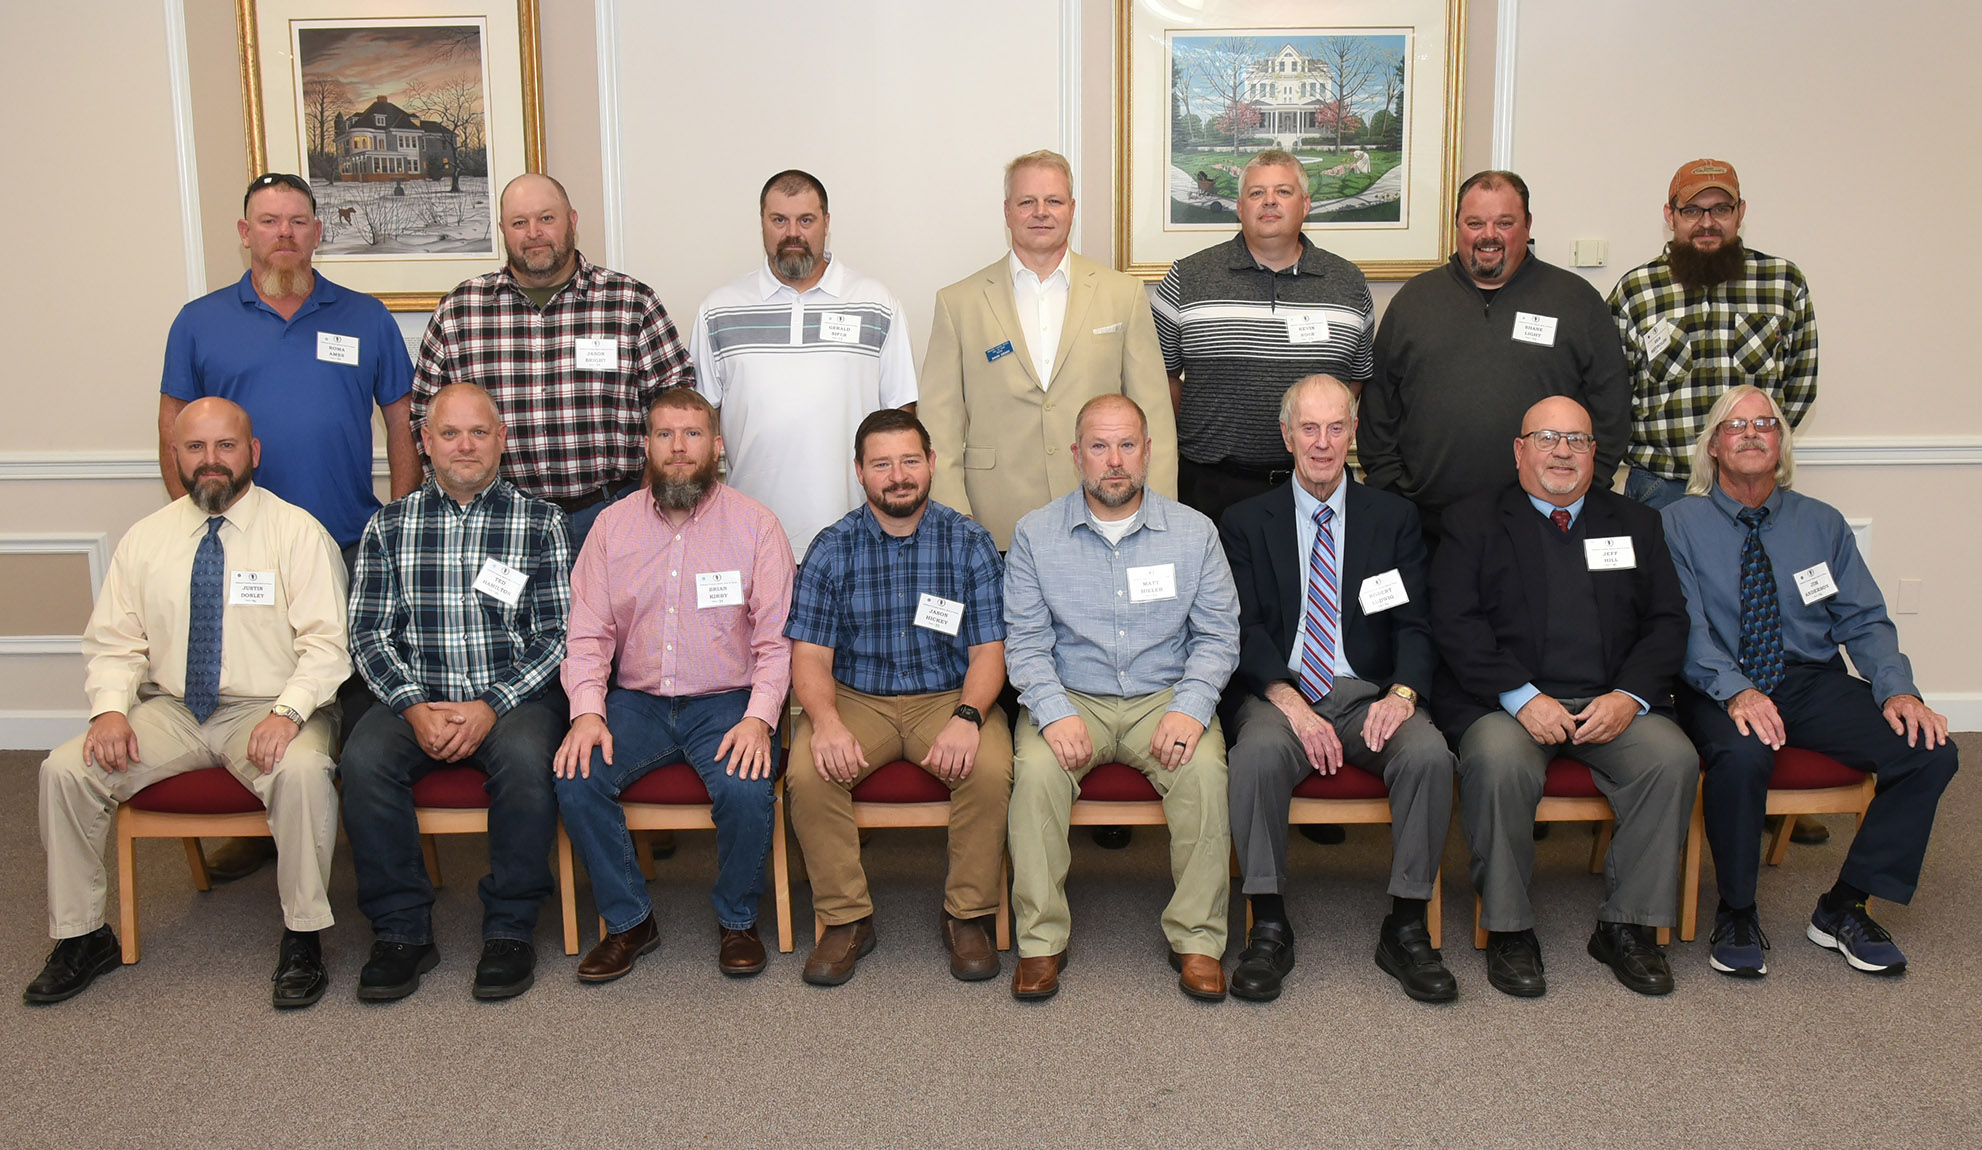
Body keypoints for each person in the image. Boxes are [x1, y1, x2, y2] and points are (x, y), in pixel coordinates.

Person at [27, 399, 349, 1008]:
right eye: (195, 448)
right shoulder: (146, 540)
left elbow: (328, 646)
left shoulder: (297, 532)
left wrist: (288, 713)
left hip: (270, 705)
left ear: (252, 453)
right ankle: (81, 936)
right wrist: (110, 710)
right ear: (174, 456)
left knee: (304, 771)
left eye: (225, 446)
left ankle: (304, 936)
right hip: (171, 709)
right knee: (65, 770)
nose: (210, 461)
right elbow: (116, 642)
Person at [160, 172, 417, 882]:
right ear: (245, 232)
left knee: (355, 692)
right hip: (245, 549)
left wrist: (398, 522)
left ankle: (365, 826)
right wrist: (191, 526)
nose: (284, 234)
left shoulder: (365, 317)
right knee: (258, 687)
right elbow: (173, 428)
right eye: (269, 221)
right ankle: (266, 822)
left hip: (348, 537)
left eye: (298, 221)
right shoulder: (199, 321)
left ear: (318, 230)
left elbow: (401, 427)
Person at [1661, 385, 1957, 978]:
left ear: (1781, 444)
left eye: (1765, 424)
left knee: (1929, 753)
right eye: (1735, 425)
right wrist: (1737, 690)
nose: (1751, 433)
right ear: (1714, 446)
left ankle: (1844, 906)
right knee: (1742, 755)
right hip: (1719, 682)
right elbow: (1682, 626)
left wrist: (1897, 688)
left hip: (1807, 679)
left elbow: (1864, 618)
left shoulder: (1821, 524)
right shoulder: (1678, 523)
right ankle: (1737, 910)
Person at [1429, 396, 1698, 998]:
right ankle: (1509, 928)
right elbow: (1455, 622)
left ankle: (1627, 926)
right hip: (1507, 700)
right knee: (1497, 763)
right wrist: (1522, 697)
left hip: (1612, 702)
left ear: (1595, 454)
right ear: (1519, 450)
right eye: (1547, 438)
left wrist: (1629, 696)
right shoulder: (1472, 520)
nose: (1562, 452)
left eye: (1576, 440)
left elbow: (1667, 623)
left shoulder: (1636, 522)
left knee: (1671, 759)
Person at [1219, 376, 1456, 1003]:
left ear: (1353, 434)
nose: (1322, 444)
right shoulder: (1245, 521)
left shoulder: (1394, 518)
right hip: (1281, 691)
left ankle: (1406, 924)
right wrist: (1291, 705)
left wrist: (1402, 694)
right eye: (1309, 428)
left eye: (1336, 428)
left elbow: (1414, 622)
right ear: (1286, 435)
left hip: (1368, 692)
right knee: (1258, 756)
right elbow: (1242, 626)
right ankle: (1267, 922)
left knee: (1429, 755)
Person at [1002, 395, 1240, 1002]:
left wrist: (1191, 706)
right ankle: (1040, 942)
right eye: (1100, 447)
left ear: (1149, 452)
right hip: (1070, 694)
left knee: (1207, 773)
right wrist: (1053, 714)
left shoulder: (1195, 533)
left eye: (1127, 445)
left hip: (1166, 695)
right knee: (1032, 776)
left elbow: (1217, 636)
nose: (1115, 462)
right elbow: (1026, 644)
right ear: (1077, 454)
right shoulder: (1034, 535)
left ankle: (1197, 939)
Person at [552, 388, 794, 983]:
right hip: (636, 703)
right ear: (647, 446)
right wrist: (587, 712)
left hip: (726, 703)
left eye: (692, 435)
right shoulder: (611, 527)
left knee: (745, 786)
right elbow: (587, 634)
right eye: (665, 435)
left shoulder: (756, 526)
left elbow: (776, 641)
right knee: (576, 775)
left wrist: (759, 718)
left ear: (716, 446)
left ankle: (737, 919)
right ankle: (630, 920)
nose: (678, 449)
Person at [340, 384, 572, 1002]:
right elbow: (367, 635)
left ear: (502, 439)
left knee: (527, 762)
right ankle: (401, 931)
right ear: (426, 443)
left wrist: (490, 704)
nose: (464, 446)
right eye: (449, 434)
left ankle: (510, 929)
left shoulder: (541, 522)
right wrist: (414, 706)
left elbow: (558, 635)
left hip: (513, 697)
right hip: (415, 695)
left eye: (477, 433)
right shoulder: (389, 526)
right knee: (361, 763)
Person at [784, 410, 1012, 986]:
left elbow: (990, 651)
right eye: (882, 464)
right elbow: (809, 657)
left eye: (911, 460)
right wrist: (827, 721)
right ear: (859, 472)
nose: (899, 475)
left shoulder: (970, 542)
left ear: (932, 464)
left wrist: (968, 715)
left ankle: (968, 914)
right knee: (810, 773)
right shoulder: (831, 548)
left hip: (949, 696)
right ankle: (846, 919)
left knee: (989, 768)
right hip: (858, 698)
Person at [413, 173, 695, 550]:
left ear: (572, 221)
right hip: (500, 521)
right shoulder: (460, 311)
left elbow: (679, 410)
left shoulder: (631, 303)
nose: (534, 232)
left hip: (612, 513)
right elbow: (423, 418)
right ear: (503, 230)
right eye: (519, 222)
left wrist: (646, 507)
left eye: (546, 218)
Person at [921, 149, 1177, 550]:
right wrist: (954, 512)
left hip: (1106, 511)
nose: (1041, 212)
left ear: (1072, 209)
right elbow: (940, 421)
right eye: (1027, 202)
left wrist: (1158, 511)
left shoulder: (1121, 294)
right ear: (1007, 211)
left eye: (1053, 201)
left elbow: (1154, 413)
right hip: (994, 519)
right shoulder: (959, 302)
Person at [1360, 170, 1631, 547]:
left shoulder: (1576, 302)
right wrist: (1390, 488)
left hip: (1545, 523)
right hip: (1428, 526)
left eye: (1505, 222)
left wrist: (1581, 488)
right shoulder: (1414, 302)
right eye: (1475, 223)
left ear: (1528, 225)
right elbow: (1378, 407)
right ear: (1457, 226)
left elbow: (1611, 407)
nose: (1489, 235)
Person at [691, 169, 918, 558]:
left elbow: (901, 414)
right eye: (779, 220)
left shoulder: (876, 302)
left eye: (806, 220)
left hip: (858, 535)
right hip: (750, 536)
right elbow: (701, 423)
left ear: (826, 224)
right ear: (762, 223)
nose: (792, 233)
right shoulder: (720, 308)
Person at [1152, 149, 1375, 526]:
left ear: (1305, 204)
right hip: (1210, 489)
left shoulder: (1348, 283)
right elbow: (1162, 379)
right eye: (1256, 193)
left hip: (1313, 488)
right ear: (1240, 207)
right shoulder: (1186, 278)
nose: (1269, 201)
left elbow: (1355, 381)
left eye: (1283, 192)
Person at [1611, 159, 1819, 513]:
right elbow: (1611, 394)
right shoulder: (1636, 291)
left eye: (1720, 209)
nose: (1707, 223)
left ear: (1740, 212)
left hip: (1753, 487)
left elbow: (1800, 385)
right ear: (1670, 214)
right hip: (1662, 488)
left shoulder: (1783, 283)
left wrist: (1754, 453)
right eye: (1692, 210)